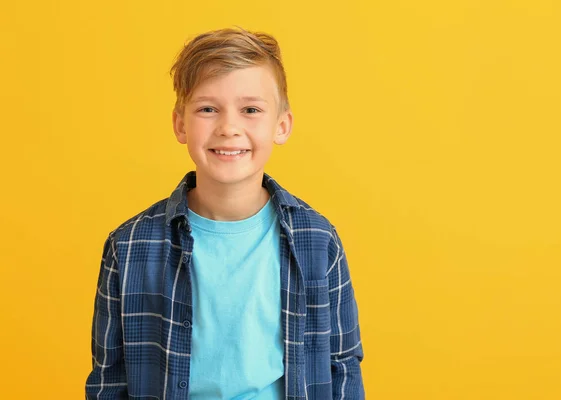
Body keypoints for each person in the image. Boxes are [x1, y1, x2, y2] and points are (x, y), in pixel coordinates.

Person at [84, 26, 364, 400]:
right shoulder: (130, 246)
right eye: (207, 109)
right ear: (180, 124)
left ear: (282, 125)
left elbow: (342, 366)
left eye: (251, 110)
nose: (229, 127)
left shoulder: (317, 240)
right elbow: (109, 381)